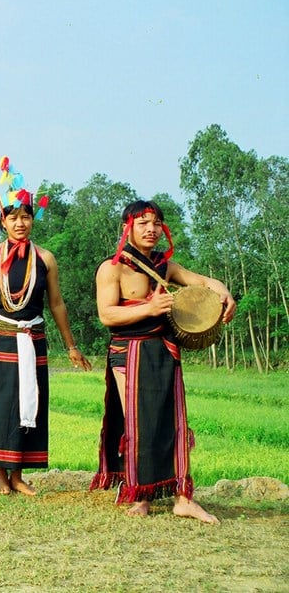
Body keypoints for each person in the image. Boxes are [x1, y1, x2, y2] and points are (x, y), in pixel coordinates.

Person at [0, 158, 91, 495]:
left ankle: (19, 476)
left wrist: (70, 345)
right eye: (13, 217)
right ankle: (1, 478)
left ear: (32, 219)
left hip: (33, 337)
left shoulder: (46, 259)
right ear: (3, 221)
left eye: (26, 216)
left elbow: (56, 304)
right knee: (1, 404)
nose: (20, 222)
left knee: (31, 401)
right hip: (1, 336)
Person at [90, 199, 235, 523]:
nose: (151, 229)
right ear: (128, 227)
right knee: (138, 425)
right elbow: (106, 314)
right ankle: (139, 495)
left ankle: (184, 499)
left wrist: (224, 292)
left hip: (163, 351)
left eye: (156, 223)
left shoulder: (165, 265)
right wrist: (149, 309)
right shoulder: (112, 267)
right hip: (128, 351)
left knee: (174, 424)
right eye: (143, 223)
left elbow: (202, 282)